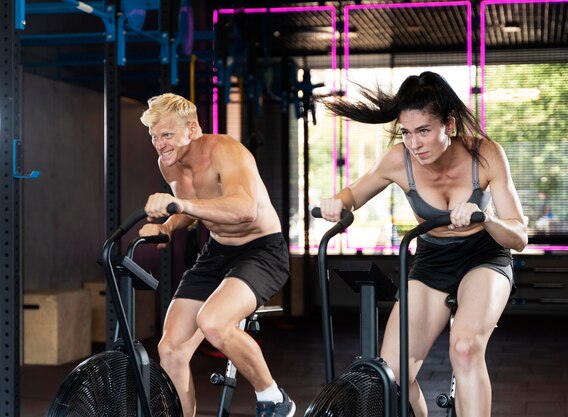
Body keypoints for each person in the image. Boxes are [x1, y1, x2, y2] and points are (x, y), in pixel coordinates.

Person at [318, 72, 527, 417]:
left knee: (464, 348)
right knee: (392, 374)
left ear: (450, 124)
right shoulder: (399, 160)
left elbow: (519, 237)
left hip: (484, 254)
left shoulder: (485, 154)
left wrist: (485, 218)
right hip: (432, 261)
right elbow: (353, 194)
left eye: (424, 131)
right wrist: (336, 203)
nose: (415, 143)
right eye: (406, 132)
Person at [138, 93, 295, 417]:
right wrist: (169, 226)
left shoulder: (225, 150)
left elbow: (245, 209)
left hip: (262, 250)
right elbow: (193, 209)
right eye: (154, 136)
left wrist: (180, 207)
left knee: (214, 323)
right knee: (170, 350)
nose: (160, 144)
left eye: (167, 135)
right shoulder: (168, 164)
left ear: (192, 129)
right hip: (217, 252)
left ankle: (275, 399)